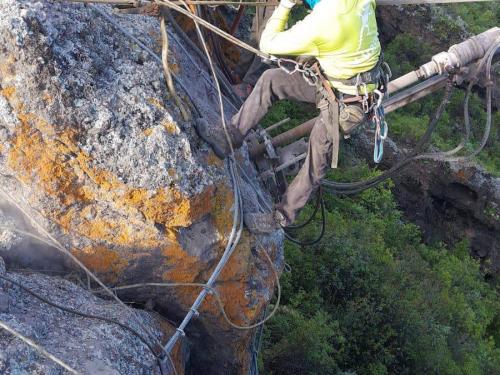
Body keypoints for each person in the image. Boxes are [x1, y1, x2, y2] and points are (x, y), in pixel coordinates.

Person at [196, 0, 382, 233]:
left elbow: (268, 43)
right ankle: (231, 136)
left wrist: (285, 6)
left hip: (349, 103)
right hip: (332, 81)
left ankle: (281, 217)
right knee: (271, 79)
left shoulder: (323, 23)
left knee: (317, 157)